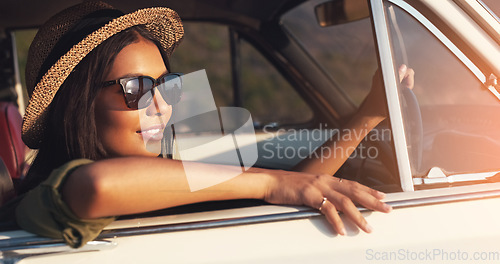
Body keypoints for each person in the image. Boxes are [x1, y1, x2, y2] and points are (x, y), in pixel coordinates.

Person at [4, 1, 413, 248]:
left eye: (167, 85)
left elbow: (297, 191)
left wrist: (369, 113)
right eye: (134, 88)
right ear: (78, 104)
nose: (160, 105)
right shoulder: (43, 200)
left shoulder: (160, 180)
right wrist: (270, 181)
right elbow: (97, 186)